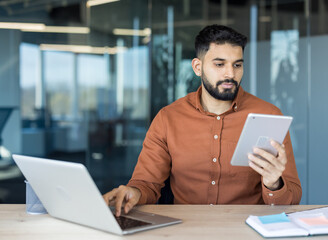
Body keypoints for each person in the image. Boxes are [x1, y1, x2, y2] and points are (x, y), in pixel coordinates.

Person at [103, 25, 302, 217]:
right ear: (198, 67)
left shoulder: (269, 116)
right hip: (186, 230)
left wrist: (273, 183)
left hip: (247, 230)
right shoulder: (168, 118)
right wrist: (134, 192)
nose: (230, 74)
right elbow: (147, 183)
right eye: (219, 64)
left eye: (237, 65)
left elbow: (292, 198)